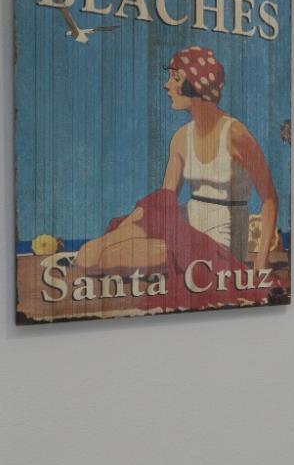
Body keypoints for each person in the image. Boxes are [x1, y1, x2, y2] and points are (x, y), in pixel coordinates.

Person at [75, 46, 280, 289]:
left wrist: (261, 260)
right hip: (185, 223)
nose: (166, 85)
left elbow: (269, 198)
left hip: (219, 237)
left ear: (197, 82)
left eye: (175, 77)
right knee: (88, 254)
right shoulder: (181, 138)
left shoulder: (235, 133)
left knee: (108, 258)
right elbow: (164, 200)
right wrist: (131, 225)